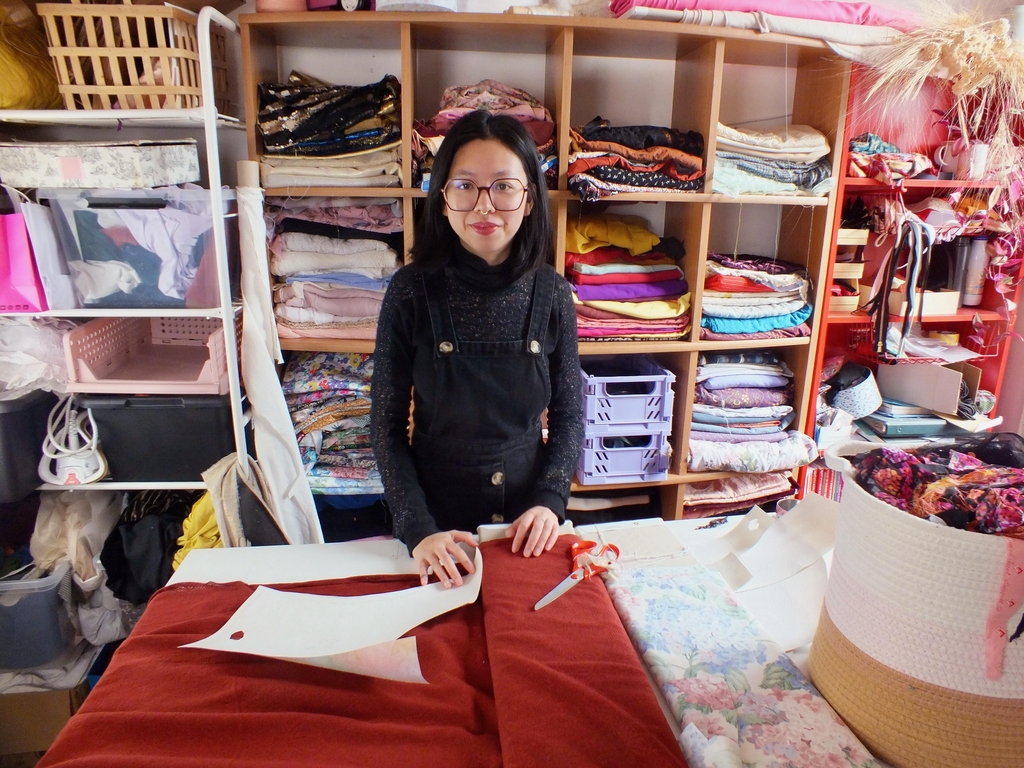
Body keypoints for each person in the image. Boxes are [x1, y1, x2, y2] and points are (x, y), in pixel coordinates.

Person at [370, 110, 583, 589]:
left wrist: (550, 501)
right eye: (465, 186)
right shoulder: (409, 292)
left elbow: (570, 414)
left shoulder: (552, 294)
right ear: (442, 199)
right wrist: (418, 530)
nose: (484, 206)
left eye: (504, 186)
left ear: (529, 199)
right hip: (435, 536)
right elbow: (384, 425)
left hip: (526, 533)